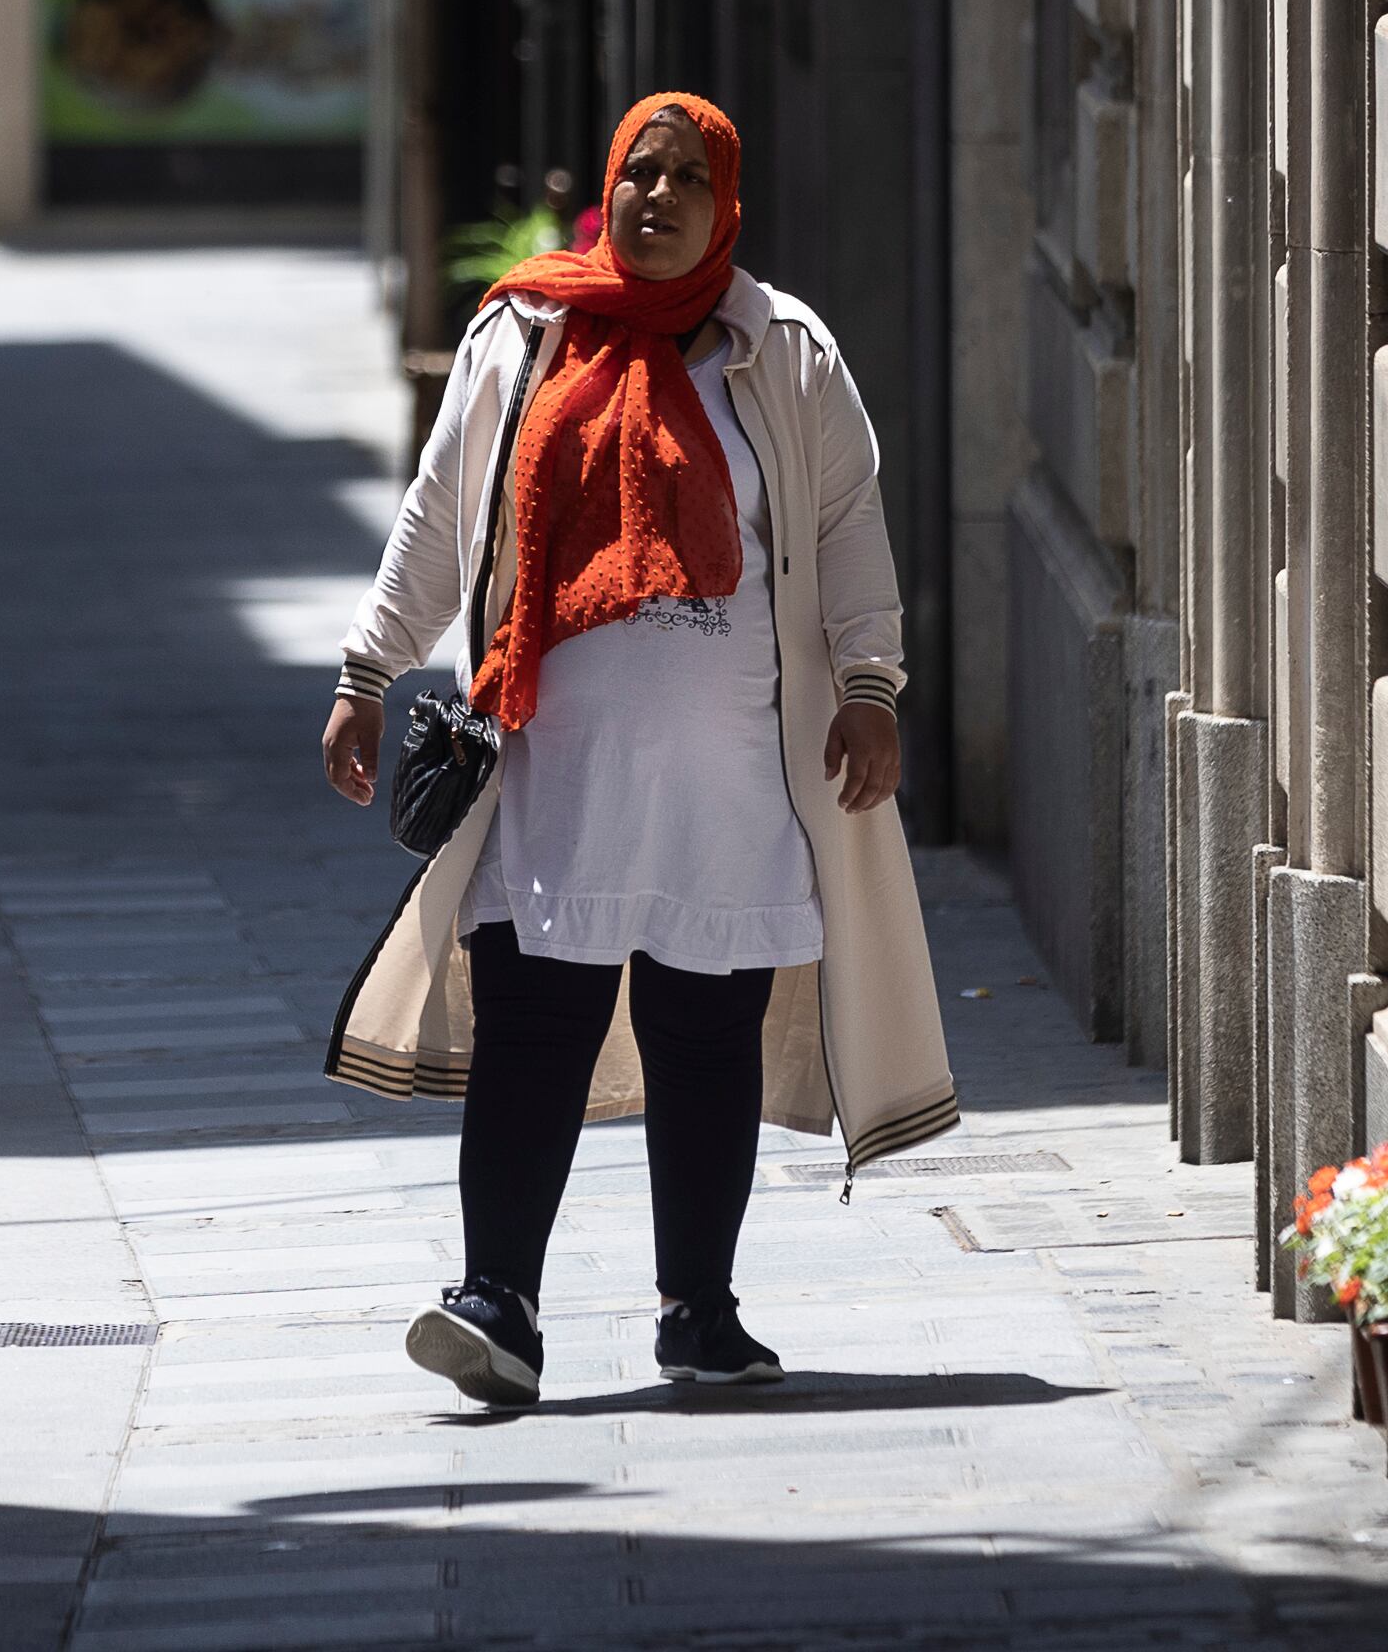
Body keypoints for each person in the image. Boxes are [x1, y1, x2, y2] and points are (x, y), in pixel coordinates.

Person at [318, 92, 956, 1405]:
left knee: (704, 1028)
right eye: (639, 176)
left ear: (729, 207)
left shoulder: (780, 348)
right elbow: (445, 511)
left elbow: (844, 527)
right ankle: (496, 1299)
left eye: (687, 183)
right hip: (553, 765)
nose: (658, 200)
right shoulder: (524, 331)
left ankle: (700, 1314)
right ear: (609, 190)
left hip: (731, 779)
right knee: (532, 1021)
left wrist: (873, 687)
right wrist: (369, 666)